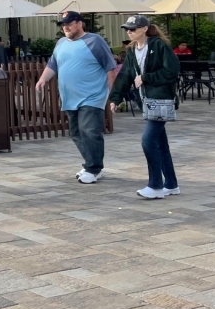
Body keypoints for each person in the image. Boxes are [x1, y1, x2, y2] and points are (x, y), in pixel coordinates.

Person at [35, 11, 118, 184]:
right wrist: (43, 79)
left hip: (92, 96)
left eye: (69, 23)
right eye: (63, 24)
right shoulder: (61, 43)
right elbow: (53, 64)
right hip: (70, 98)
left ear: (79, 23)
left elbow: (110, 68)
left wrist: (113, 95)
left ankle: (94, 168)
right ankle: (91, 164)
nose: (65, 27)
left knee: (89, 131)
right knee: (76, 133)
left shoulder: (94, 41)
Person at [109, 15, 181, 199]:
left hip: (161, 101)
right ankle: (171, 185)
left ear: (144, 28)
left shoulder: (159, 45)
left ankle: (155, 186)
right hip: (146, 102)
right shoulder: (132, 50)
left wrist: (146, 77)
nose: (129, 32)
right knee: (160, 143)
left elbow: (171, 71)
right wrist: (115, 98)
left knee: (148, 141)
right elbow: (125, 75)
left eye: (132, 29)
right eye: (127, 29)